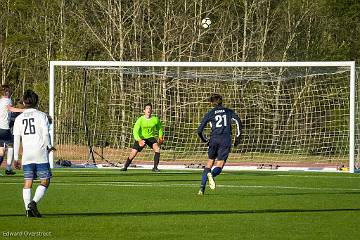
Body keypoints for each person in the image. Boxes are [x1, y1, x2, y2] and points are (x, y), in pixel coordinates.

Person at [13, 90, 55, 217]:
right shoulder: (42, 115)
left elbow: (16, 139)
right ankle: (34, 202)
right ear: (37, 102)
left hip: (27, 154)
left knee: (28, 181)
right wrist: (49, 146)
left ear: (24, 102)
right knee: (45, 180)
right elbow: (45, 133)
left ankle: (27, 210)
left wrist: (16, 157)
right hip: (40, 152)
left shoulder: (19, 118)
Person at [197, 93, 242, 195]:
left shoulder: (210, 113)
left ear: (211, 103)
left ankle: (201, 188)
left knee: (209, 163)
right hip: (225, 139)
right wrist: (238, 137)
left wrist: (205, 140)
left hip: (214, 139)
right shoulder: (228, 111)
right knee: (220, 164)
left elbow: (199, 130)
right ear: (221, 101)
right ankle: (211, 175)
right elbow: (238, 122)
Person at [121, 103, 164, 172]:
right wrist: (139, 140)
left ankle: (155, 168)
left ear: (152, 110)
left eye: (150, 108)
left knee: (157, 149)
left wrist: (160, 137)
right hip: (141, 138)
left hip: (150, 137)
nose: (148, 110)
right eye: (147, 108)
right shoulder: (140, 120)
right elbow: (135, 131)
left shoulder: (155, 119)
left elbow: (160, 129)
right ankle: (125, 166)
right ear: (144, 110)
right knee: (133, 153)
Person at [0, 85, 18, 175]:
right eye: (9, 91)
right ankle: (8, 169)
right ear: (6, 92)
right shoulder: (8, 100)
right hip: (4, 128)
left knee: (2, 150)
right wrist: (23, 110)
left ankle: (7, 169)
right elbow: (10, 109)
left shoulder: (0, 101)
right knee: (11, 146)